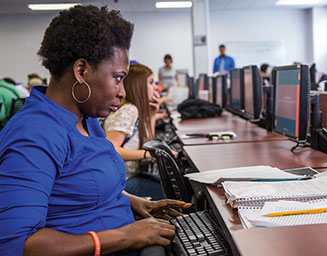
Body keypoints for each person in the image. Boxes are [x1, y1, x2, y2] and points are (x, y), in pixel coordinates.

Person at [0, 5, 190, 255]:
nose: (122, 92)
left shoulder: (86, 118)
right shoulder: (34, 134)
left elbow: (84, 191)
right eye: (118, 78)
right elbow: (18, 245)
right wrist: (125, 236)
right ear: (81, 71)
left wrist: (136, 204)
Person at [104, 63, 166, 200]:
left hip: (129, 176)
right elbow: (111, 149)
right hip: (121, 181)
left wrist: (152, 115)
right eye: (151, 82)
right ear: (139, 86)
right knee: (169, 193)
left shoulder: (135, 109)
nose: (156, 86)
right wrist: (148, 154)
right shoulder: (130, 110)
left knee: (168, 186)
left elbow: (148, 142)